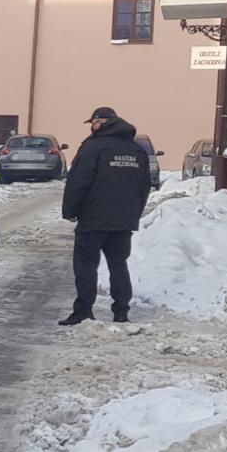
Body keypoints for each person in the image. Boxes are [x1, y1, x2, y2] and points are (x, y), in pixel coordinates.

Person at [60, 106, 151, 325]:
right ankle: (121, 311)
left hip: (93, 218)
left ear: (101, 122)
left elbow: (78, 181)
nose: (92, 126)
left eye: (93, 122)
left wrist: (70, 210)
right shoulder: (136, 150)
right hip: (123, 221)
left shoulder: (93, 147)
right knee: (118, 264)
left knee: (86, 265)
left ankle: (83, 310)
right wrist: (133, 214)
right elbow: (144, 186)